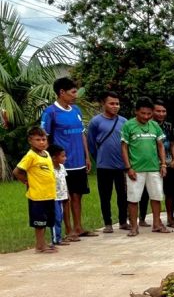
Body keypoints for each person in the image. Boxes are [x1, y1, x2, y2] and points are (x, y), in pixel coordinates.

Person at [40, 77, 93, 239]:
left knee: (78, 196)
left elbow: (82, 134)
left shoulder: (76, 110)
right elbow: (44, 138)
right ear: (61, 92)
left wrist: (87, 156)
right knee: (65, 197)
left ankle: (79, 227)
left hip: (79, 162)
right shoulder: (51, 112)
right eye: (73, 92)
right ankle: (68, 230)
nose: (75, 95)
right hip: (63, 164)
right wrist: (50, 160)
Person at [121, 97, 168, 236]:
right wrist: (128, 167)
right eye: (143, 113)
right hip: (136, 169)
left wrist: (163, 164)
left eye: (149, 114)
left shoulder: (155, 126)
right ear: (136, 112)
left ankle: (157, 224)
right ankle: (134, 227)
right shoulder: (129, 126)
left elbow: (160, 146)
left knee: (156, 196)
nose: (146, 117)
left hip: (154, 168)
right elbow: (124, 147)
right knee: (133, 198)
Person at [87, 91, 129, 233]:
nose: (115, 106)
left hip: (122, 165)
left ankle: (123, 221)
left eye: (117, 104)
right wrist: (98, 157)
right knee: (105, 195)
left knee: (123, 195)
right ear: (103, 104)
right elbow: (91, 143)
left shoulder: (124, 122)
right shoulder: (96, 122)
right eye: (111, 103)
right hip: (104, 165)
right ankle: (108, 223)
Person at [12, 127, 57, 253]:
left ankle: (44, 243)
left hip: (49, 194)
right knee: (39, 223)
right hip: (37, 195)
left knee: (47, 221)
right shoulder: (30, 156)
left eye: (44, 139)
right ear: (30, 141)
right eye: (38, 140)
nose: (42, 142)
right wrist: (27, 181)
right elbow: (17, 172)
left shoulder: (46, 154)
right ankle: (39, 245)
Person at [154, 99, 174, 228]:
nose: (161, 114)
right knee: (154, 193)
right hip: (153, 163)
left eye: (163, 111)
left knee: (170, 192)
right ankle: (149, 219)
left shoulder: (169, 126)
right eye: (158, 111)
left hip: (169, 162)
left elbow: (172, 143)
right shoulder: (149, 125)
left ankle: (170, 218)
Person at [48, 144, 70, 246]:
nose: (65, 158)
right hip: (53, 197)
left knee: (60, 217)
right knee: (55, 217)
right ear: (54, 158)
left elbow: (64, 181)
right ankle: (56, 239)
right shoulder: (49, 169)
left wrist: (67, 194)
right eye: (62, 156)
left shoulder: (62, 167)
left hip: (61, 197)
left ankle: (59, 236)